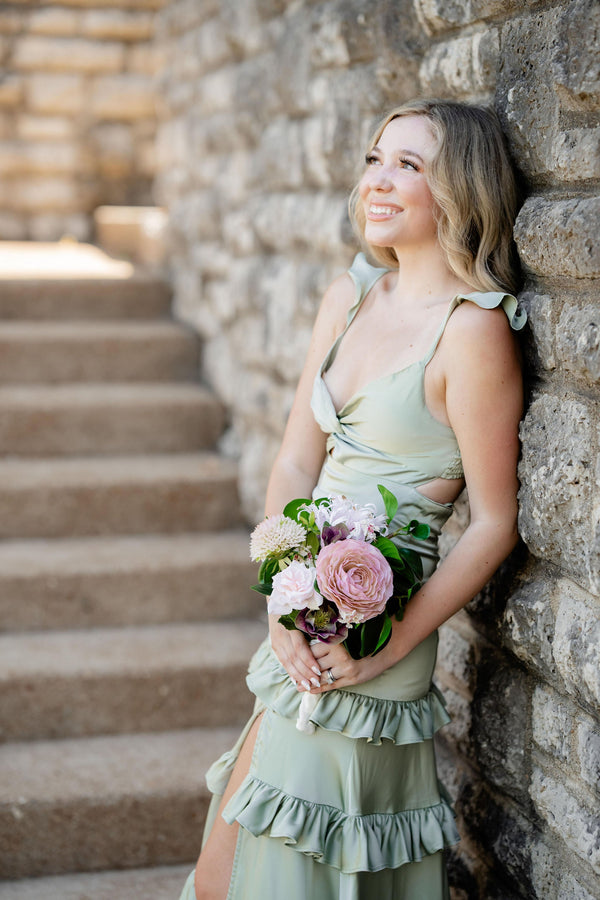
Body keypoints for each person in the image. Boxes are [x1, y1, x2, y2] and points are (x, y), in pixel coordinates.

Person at [180, 97, 526, 900]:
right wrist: (279, 600)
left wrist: (389, 642)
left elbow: (495, 522)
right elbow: (297, 463)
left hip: (379, 639)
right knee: (223, 876)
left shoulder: (473, 333)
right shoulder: (352, 297)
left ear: (461, 190)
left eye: (409, 164)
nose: (378, 178)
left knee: (295, 876)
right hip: (302, 622)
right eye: (376, 158)